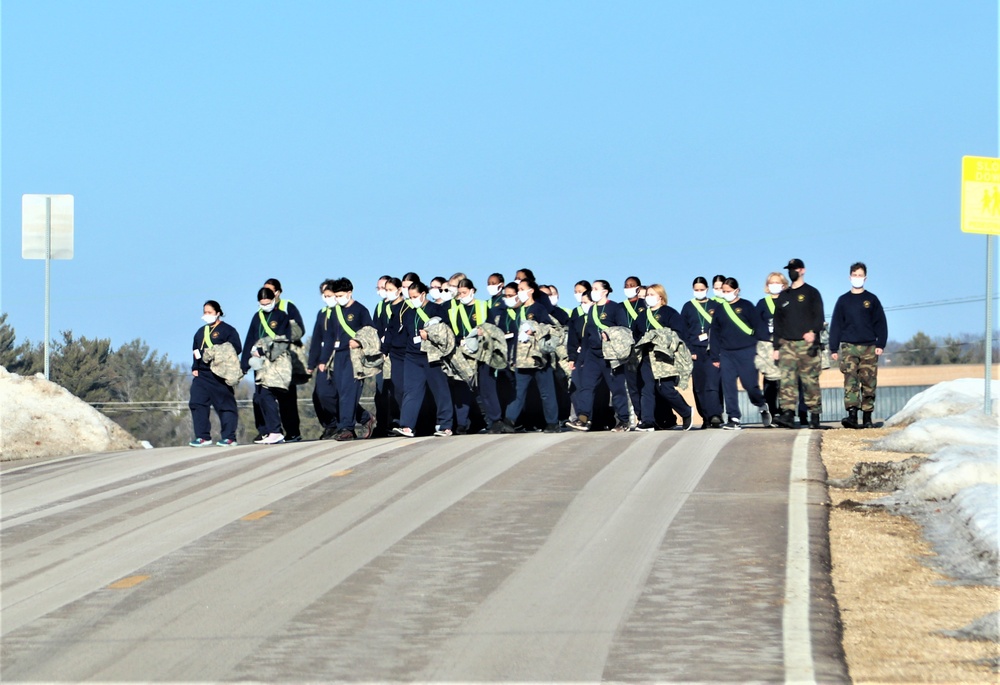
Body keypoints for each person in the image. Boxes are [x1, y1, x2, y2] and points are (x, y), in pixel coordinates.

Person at [390, 281, 454, 437]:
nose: (412, 300)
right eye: (410, 297)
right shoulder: (408, 312)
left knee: (440, 390)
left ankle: (445, 425)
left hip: (432, 356)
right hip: (412, 356)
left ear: (423, 294)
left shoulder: (436, 309)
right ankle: (407, 426)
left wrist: (429, 334)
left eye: (415, 296)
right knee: (411, 391)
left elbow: (446, 331)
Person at [314, 277, 375, 441]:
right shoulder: (334, 312)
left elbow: (370, 332)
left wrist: (359, 342)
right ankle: (363, 418)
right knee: (332, 393)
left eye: (340, 295)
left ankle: (346, 428)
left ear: (349, 293)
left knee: (348, 393)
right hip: (337, 356)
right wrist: (323, 361)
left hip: (353, 357)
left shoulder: (360, 310)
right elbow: (329, 338)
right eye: (336, 295)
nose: (337, 298)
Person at [566, 279, 631, 432]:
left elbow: (624, 331)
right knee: (587, 387)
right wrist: (580, 359)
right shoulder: (592, 310)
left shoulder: (615, 308)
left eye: (596, 288)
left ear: (605, 291)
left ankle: (623, 420)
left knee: (617, 389)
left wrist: (610, 335)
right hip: (592, 355)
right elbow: (587, 337)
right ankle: (583, 418)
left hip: (610, 356)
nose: (592, 291)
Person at [829, 262, 888, 429]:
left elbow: (880, 323)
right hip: (848, 347)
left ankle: (867, 416)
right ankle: (852, 415)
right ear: (849, 278)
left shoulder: (872, 299)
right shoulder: (843, 300)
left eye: (860, 275)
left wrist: (880, 344)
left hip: (869, 346)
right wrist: (833, 348)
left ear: (865, 278)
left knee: (869, 382)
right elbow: (836, 325)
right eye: (854, 275)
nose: (857, 278)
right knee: (850, 381)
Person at [710, 277, 771, 430]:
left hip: (747, 350)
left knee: (750, 385)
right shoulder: (719, 309)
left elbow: (758, 326)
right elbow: (715, 334)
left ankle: (761, 404)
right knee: (728, 386)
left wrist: (767, 346)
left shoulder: (747, 306)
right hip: (726, 353)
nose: (726, 294)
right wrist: (714, 355)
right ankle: (733, 417)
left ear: (737, 290)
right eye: (723, 291)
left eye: (729, 291)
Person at [499, 279, 560, 433]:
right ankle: (509, 421)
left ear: (531, 290)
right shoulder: (517, 311)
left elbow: (551, 328)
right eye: (518, 289)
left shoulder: (539, 309)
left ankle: (552, 423)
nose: (519, 292)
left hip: (537, 357)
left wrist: (534, 330)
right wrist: (511, 358)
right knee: (518, 392)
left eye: (522, 289)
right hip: (521, 358)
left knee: (546, 392)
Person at [772, 258, 826, 429]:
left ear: (802, 270)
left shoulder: (811, 293)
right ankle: (787, 414)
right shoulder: (784, 295)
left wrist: (813, 332)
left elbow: (819, 317)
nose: (792, 272)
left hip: (807, 345)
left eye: (794, 269)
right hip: (787, 344)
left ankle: (815, 414)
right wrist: (776, 347)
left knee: (810, 381)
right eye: (789, 269)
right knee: (787, 381)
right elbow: (778, 323)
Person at [632, 284, 693, 431]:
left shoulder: (669, 313)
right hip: (647, 356)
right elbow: (635, 334)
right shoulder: (642, 316)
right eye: (647, 295)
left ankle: (685, 411)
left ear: (660, 296)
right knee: (647, 389)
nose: (649, 297)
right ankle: (648, 421)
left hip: (663, 357)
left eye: (652, 294)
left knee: (665, 389)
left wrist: (660, 338)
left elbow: (678, 333)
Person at [240, 287, 291, 444]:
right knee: (260, 396)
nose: (265, 305)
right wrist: (244, 363)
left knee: (268, 394)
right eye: (262, 303)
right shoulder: (257, 317)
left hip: (275, 362)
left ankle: (276, 430)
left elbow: (284, 339)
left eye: (268, 303)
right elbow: (250, 339)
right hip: (259, 364)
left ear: (273, 300)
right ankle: (270, 430)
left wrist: (264, 350)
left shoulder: (281, 316)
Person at [189, 300, 242, 446]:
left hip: (220, 374)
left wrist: (216, 353)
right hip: (202, 374)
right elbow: (195, 351)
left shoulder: (228, 330)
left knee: (225, 405)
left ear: (218, 313)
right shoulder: (200, 332)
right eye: (205, 312)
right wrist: (195, 367)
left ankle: (229, 437)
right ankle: (203, 436)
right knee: (196, 402)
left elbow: (236, 348)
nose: (206, 315)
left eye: (209, 312)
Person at [262, 278, 304, 442]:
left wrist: (280, 338)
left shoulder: (288, 306)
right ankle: (268, 430)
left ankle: (293, 432)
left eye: (270, 291)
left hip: (284, 358)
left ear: (278, 292)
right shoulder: (262, 311)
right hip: (266, 360)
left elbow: (299, 330)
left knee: (286, 397)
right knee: (262, 396)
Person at [680, 277, 724, 428]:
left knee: (713, 383)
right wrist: (690, 350)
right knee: (699, 386)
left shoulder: (715, 305)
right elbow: (683, 332)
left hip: (712, 349)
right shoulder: (688, 307)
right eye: (696, 290)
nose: (699, 292)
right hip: (695, 351)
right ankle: (704, 416)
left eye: (702, 289)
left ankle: (715, 415)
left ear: (707, 289)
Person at [449, 278, 490, 433]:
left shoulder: (484, 306)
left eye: (464, 293)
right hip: (463, 353)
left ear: (472, 291)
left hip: (483, 351)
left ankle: (489, 421)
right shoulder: (454, 311)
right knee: (463, 389)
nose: (462, 296)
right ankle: (462, 423)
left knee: (483, 389)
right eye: (459, 293)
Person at [756, 272, 788, 418]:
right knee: (770, 380)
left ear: (783, 284)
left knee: (785, 380)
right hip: (767, 346)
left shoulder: (788, 301)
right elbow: (757, 324)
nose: (774, 285)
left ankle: (785, 410)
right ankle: (772, 410)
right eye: (771, 282)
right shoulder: (762, 304)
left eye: (777, 282)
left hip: (785, 344)